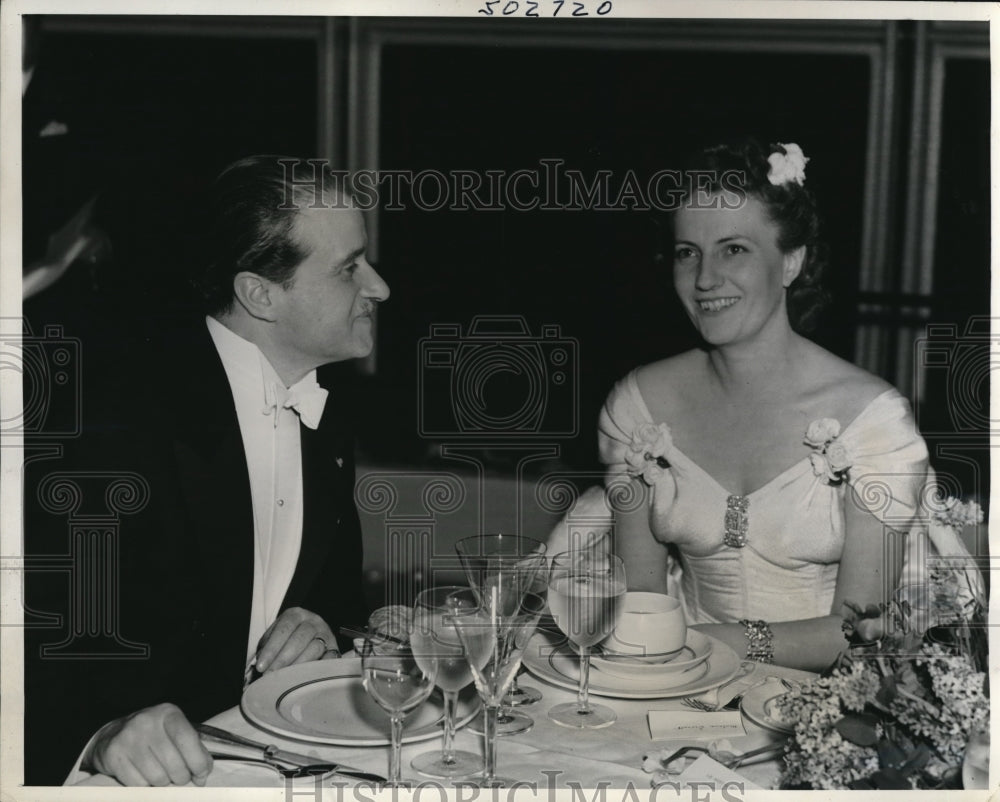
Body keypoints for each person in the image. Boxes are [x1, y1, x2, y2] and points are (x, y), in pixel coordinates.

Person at [23, 156, 389, 785]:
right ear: (260, 295)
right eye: (350, 269)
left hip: (263, 764)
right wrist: (101, 736)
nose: (380, 287)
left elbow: (338, 600)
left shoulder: (324, 416)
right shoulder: (114, 424)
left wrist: (324, 627)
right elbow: (25, 639)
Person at [597, 140, 930, 672]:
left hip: (822, 708)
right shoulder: (638, 408)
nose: (705, 278)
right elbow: (638, 604)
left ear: (791, 261)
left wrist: (703, 643)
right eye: (688, 252)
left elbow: (860, 632)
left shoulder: (871, 420)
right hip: (668, 688)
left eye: (734, 249)